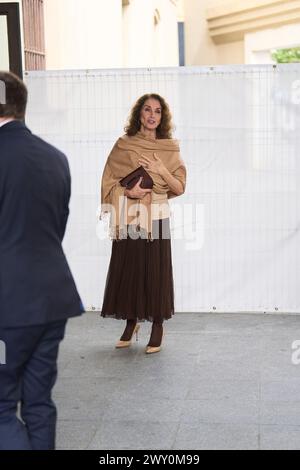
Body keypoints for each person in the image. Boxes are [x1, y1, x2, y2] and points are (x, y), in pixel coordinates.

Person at [0, 71, 84, 450]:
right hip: (52, 300)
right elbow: (55, 229)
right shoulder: (56, 159)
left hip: (7, 310)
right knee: (38, 402)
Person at [100, 93, 186, 354]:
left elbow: (179, 187)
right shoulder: (124, 145)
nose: (152, 115)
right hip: (131, 216)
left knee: (155, 272)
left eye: (158, 111)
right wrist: (127, 193)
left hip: (158, 218)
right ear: (139, 113)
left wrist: (160, 170)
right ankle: (131, 322)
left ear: (163, 117)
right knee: (130, 270)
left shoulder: (169, 148)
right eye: (147, 110)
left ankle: (158, 326)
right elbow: (108, 180)